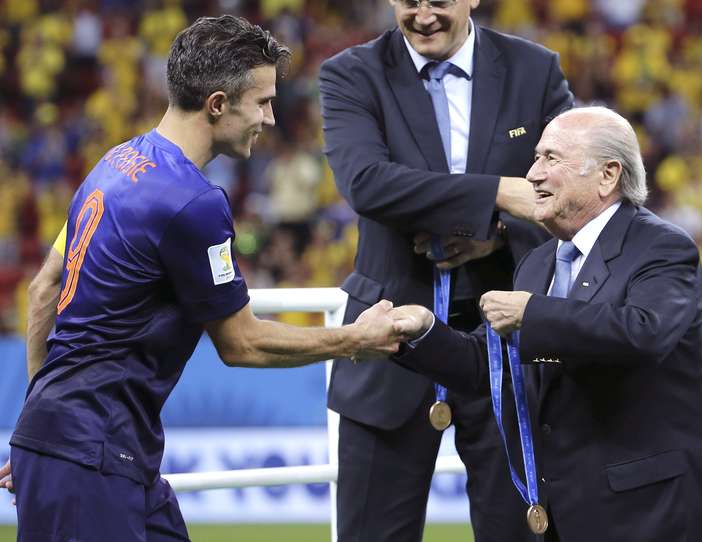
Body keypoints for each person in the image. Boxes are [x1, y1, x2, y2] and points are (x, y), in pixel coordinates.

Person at [0, 15, 404, 541]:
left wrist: (41, 430)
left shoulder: (115, 163)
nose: (272, 118)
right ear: (218, 104)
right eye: (262, 101)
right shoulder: (192, 202)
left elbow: (43, 290)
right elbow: (243, 344)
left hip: (99, 450)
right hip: (93, 454)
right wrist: (357, 339)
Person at [389, 106, 702, 542]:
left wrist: (533, 313)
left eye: (551, 158)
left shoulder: (662, 247)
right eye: (535, 158)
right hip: (565, 512)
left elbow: (644, 332)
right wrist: (420, 332)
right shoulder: (538, 262)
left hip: (652, 512)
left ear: (608, 175)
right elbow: (489, 364)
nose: (532, 174)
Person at [318, 0, 573, 539]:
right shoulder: (351, 74)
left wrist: (495, 236)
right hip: (388, 338)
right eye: (410, 1)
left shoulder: (535, 70)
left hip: (507, 340)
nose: (423, 15)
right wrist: (499, 195)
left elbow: (572, 191)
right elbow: (367, 183)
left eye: (438, 1)